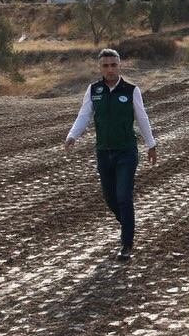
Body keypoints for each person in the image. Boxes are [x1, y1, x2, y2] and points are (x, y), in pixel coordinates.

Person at [64, 48, 157, 262]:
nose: (110, 69)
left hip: (126, 151)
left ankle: (126, 243)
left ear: (120, 66)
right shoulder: (94, 90)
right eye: (105, 65)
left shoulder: (131, 90)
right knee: (110, 198)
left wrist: (151, 144)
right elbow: (84, 115)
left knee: (124, 196)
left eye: (113, 65)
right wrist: (72, 135)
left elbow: (142, 118)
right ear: (100, 68)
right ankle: (128, 224)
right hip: (103, 152)